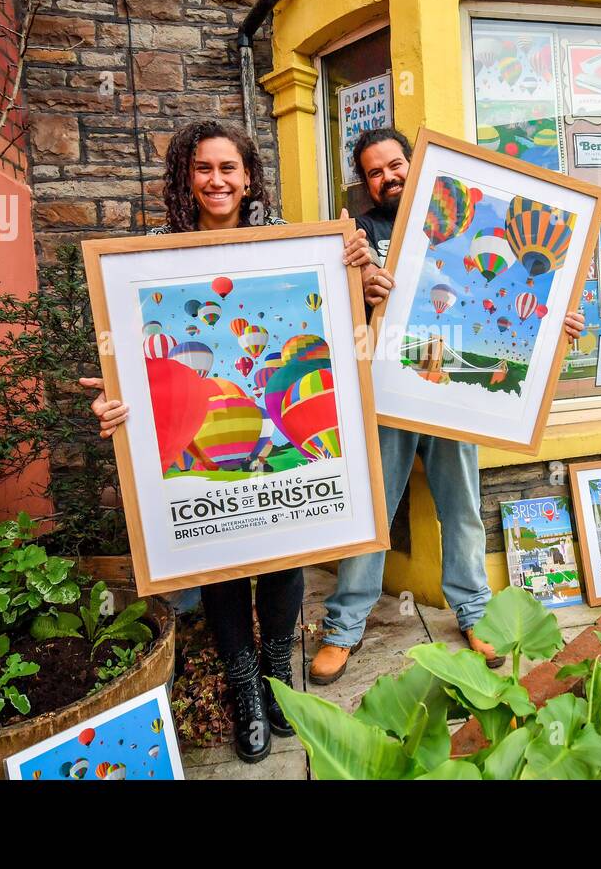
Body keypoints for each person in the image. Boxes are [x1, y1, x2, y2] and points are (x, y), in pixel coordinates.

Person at [81, 120, 366, 763]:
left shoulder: (289, 244)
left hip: (264, 427)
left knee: (286, 554)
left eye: (229, 168)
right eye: (204, 168)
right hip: (206, 428)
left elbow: (344, 326)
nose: (217, 180)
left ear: (248, 176)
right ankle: (244, 687)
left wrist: (353, 267)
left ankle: (275, 678)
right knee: (223, 565)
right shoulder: (150, 253)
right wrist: (114, 396)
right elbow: (129, 356)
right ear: (187, 175)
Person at [308, 127, 586, 684]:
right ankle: (344, 626)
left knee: (460, 505)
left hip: (457, 389)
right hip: (388, 388)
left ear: (414, 164)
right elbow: (333, 322)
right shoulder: (359, 233)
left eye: (395, 164)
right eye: (375, 171)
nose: (388, 176)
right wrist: (358, 289)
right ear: (365, 184)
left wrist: (556, 322)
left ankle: (475, 612)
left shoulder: (460, 219)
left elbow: (506, 293)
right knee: (376, 509)